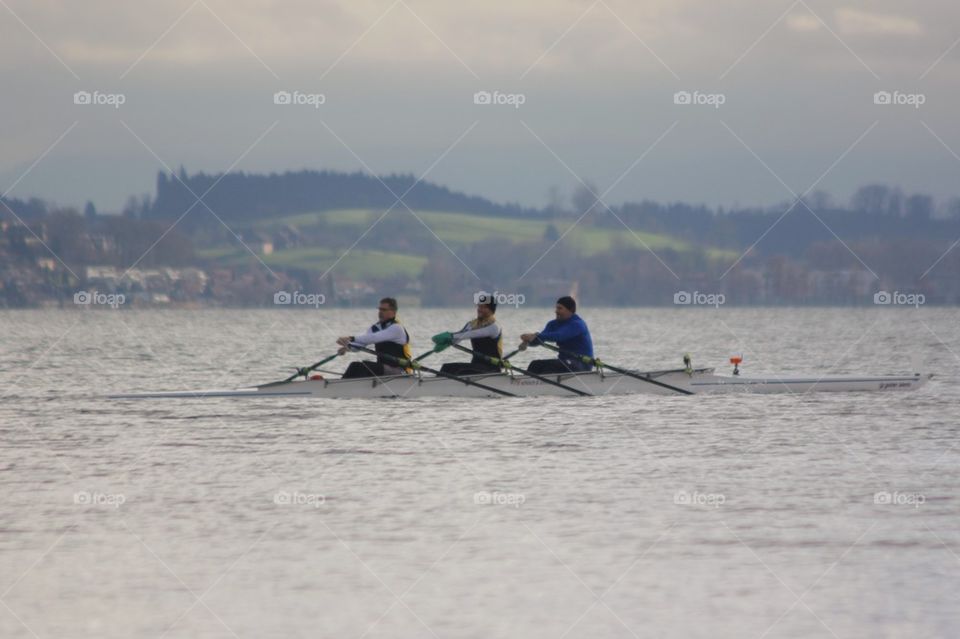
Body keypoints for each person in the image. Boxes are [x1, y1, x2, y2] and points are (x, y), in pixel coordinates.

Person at [336, 297, 412, 378]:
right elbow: (362, 343)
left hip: (400, 371)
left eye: (384, 310)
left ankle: (349, 388)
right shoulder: (375, 328)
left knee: (364, 366)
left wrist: (350, 338)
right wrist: (347, 347)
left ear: (393, 312)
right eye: (379, 309)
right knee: (354, 365)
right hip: (383, 368)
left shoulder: (397, 328)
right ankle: (339, 387)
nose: (380, 312)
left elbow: (375, 337)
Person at [519, 296, 593, 374]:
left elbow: (559, 336)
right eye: (556, 308)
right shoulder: (552, 324)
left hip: (582, 364)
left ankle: (540, 384)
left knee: (551, 366)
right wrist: (528, 342)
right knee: (535, 364)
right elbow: (540, 340)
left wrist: (535, 335)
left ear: (570, 310)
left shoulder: (577, 324)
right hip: (564, 362)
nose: (556, 311)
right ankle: (523, 384)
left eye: (560, 308)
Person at [432, 296, 503, 375]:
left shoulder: (494, 326)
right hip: (476, 365)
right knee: (446, 367)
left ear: (491, 310)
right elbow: (459, 338)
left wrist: (450, 335)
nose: (480, 309)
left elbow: (473, 334)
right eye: (479, 306)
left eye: (483, 307)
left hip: (492, 369)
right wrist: (447, 343)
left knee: (456, 369)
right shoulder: (471, 324)